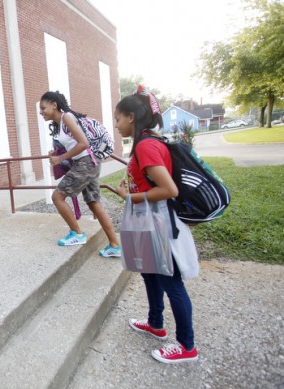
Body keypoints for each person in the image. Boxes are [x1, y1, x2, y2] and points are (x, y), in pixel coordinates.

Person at [114, 86, 199, 363]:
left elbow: (169, 189)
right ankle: (156, 324)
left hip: (159, 221)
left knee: (171, 282)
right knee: (149, 272)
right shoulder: (147, 142)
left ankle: (187, 347)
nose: (116, 125)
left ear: (131, 117)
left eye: (118, 119)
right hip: (147, 219)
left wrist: (129, 196)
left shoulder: (146, 145)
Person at [39, 91, 121, 256]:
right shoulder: (61, 123)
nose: (41, 112)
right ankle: (115, 245)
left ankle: (77, 234)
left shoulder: (66, 118)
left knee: (57, 197)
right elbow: (74, 144)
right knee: (93, 202)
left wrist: (60, 158)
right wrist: (56, 152)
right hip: (89, 163)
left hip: (86, 163)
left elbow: (83, 143)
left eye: (43, 108)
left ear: (54, 105)